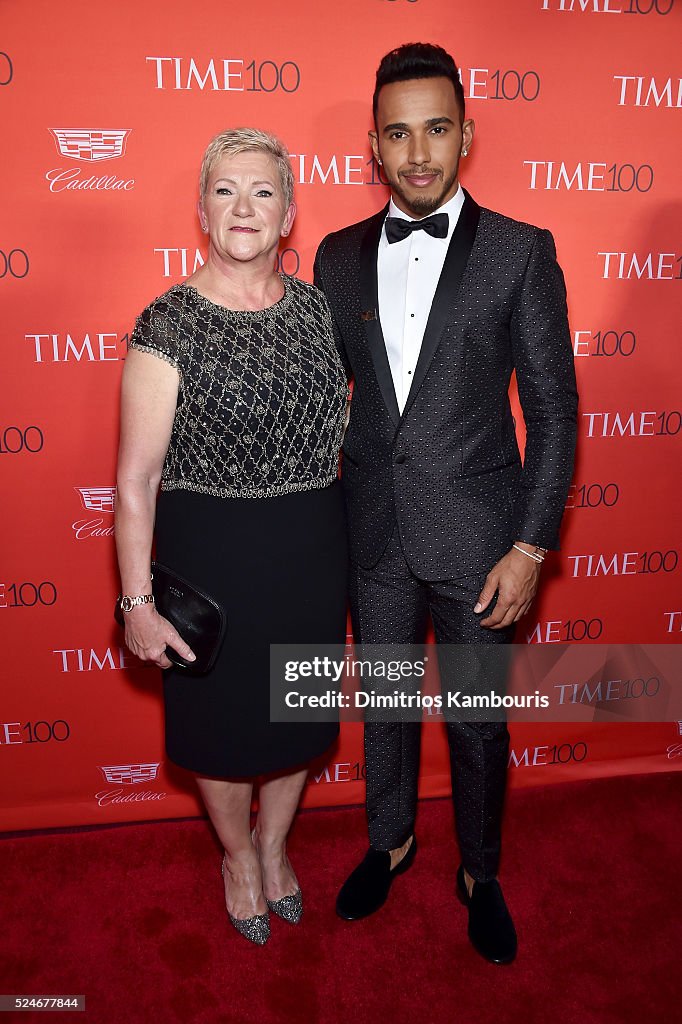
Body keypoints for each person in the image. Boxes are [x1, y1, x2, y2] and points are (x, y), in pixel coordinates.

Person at [314, 43, 578, 964]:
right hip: (374, 532)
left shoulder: (521, 250)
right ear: (374, 146)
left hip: (479, 543)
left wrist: (531, 546)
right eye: (398, 132)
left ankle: (480, 872)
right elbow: (327, 398)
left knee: (474, 717)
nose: (418, 151)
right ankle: (389, 843)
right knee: (383, 706)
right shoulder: (337, 256)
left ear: (467, 134)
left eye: (436, 128)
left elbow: (552, 412)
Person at [115, 128, 348, 945]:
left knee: (299, 718)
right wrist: (137, 603)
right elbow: (136, 481)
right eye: (224, 190)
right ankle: (238, 858)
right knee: (219, 726)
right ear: (201, 210)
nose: (242, 207)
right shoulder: (166, 324)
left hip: (314, 555)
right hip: (209, 561)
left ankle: (278, 847)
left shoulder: (320, 310)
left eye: (262, 191)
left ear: (289, 213)